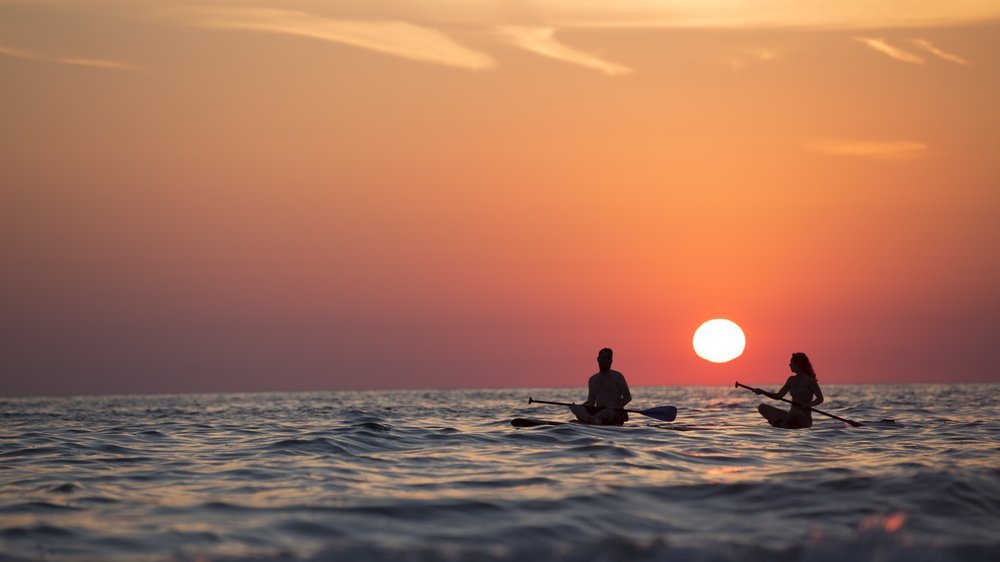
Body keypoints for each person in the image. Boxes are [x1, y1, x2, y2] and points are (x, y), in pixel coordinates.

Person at [755, 352, 824, 428]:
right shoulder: (791, 380)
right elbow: (778, 396)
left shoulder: (809, 380)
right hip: (791, 415)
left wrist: (808, 405)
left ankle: (781, 424)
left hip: (804, 418)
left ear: (798, 364)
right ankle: (779, 423)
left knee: (795, 412)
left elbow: (820, 398)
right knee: (762, 407)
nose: (789, 365)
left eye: (791, 363)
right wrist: (762, 392)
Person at [570, 348, 632, 426]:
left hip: (613, 412)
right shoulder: (592, 379)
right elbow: (591, 402)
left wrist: (615, 407)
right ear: (598, 359)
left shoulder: (617, 376)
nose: (606, 360)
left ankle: (589, 420)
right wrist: (578, 406)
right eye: (604, 358)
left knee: (607, 413)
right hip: (597, 411)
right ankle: (593, 420)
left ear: (611, 361)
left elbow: (628, 397)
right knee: (576, 408)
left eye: (608, 358)